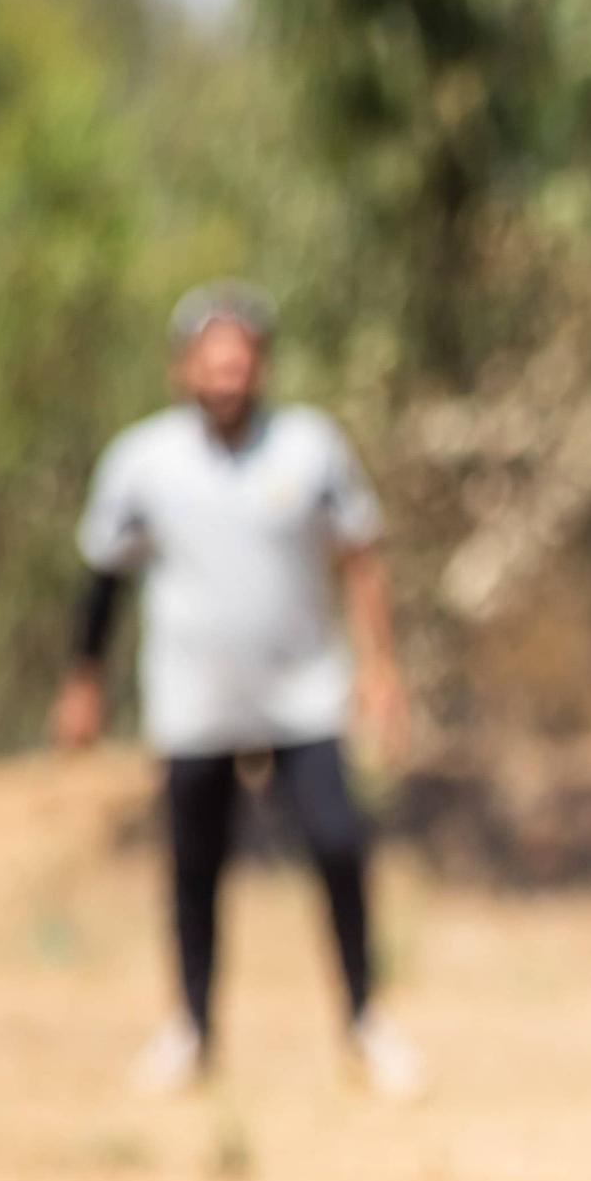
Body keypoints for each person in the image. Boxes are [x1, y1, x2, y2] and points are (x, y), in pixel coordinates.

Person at [53, 284, 424, 1101]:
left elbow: (361, 553)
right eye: (211, 360)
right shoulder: (143, 461)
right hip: (194, 698)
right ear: (184, 368)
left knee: (337, 844)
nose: (226, 375)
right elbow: (104, 579)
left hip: (302, 692)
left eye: (240, 358)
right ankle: (192, 1029)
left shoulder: (309, 448)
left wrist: (381, 667)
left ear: (261, 365)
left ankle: (365, 1022)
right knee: (195, 864)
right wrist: (84, 681)